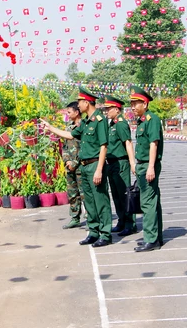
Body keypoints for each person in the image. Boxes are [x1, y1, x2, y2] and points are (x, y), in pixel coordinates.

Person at [41, 87, 111, 247]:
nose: (78, 105)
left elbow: (104, 146)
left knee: (101, 201)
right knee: (90, 202)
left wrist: (99, 169)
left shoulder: (99, 120)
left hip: (95, 165)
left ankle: (105, 234)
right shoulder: (85, 122)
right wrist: (50, 128)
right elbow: (70, 135)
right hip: (84, 167)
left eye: (80, 102)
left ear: (87, 102)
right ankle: (93, 232)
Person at [130, 86, 164, 253]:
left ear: (144, 103)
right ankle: (156, 237)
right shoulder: (142, 120)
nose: (132, 107)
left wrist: (150, 167)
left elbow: (153, 144)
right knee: (153, 200)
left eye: (135, 103)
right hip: (143, 164)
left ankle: (151, 239)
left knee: (147, 202)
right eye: (131, 104)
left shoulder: (152, 119)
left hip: (148, 165)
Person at [102, 95, 137, 237]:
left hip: (121, 162)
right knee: (116, 195)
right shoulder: (112, 124)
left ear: (117, 109)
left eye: (108, 109)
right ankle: (121, 221)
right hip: (111, 163)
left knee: (124, 194)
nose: (106, 111)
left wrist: (132, 163)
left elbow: (128, 143)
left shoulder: (121, 124)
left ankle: (130, 224)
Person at [60, 101, 84, 229]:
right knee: (72, 193)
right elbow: (64, 147)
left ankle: (91, 218)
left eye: (69, 112)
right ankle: (75, 217)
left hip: (81, 166)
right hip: (70, 166)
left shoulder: (84, 126)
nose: (67, 115)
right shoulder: (68, 128)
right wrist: (67, 161)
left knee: (84, 194)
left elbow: (85, 147)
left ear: (77, 112)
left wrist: (75, 162)